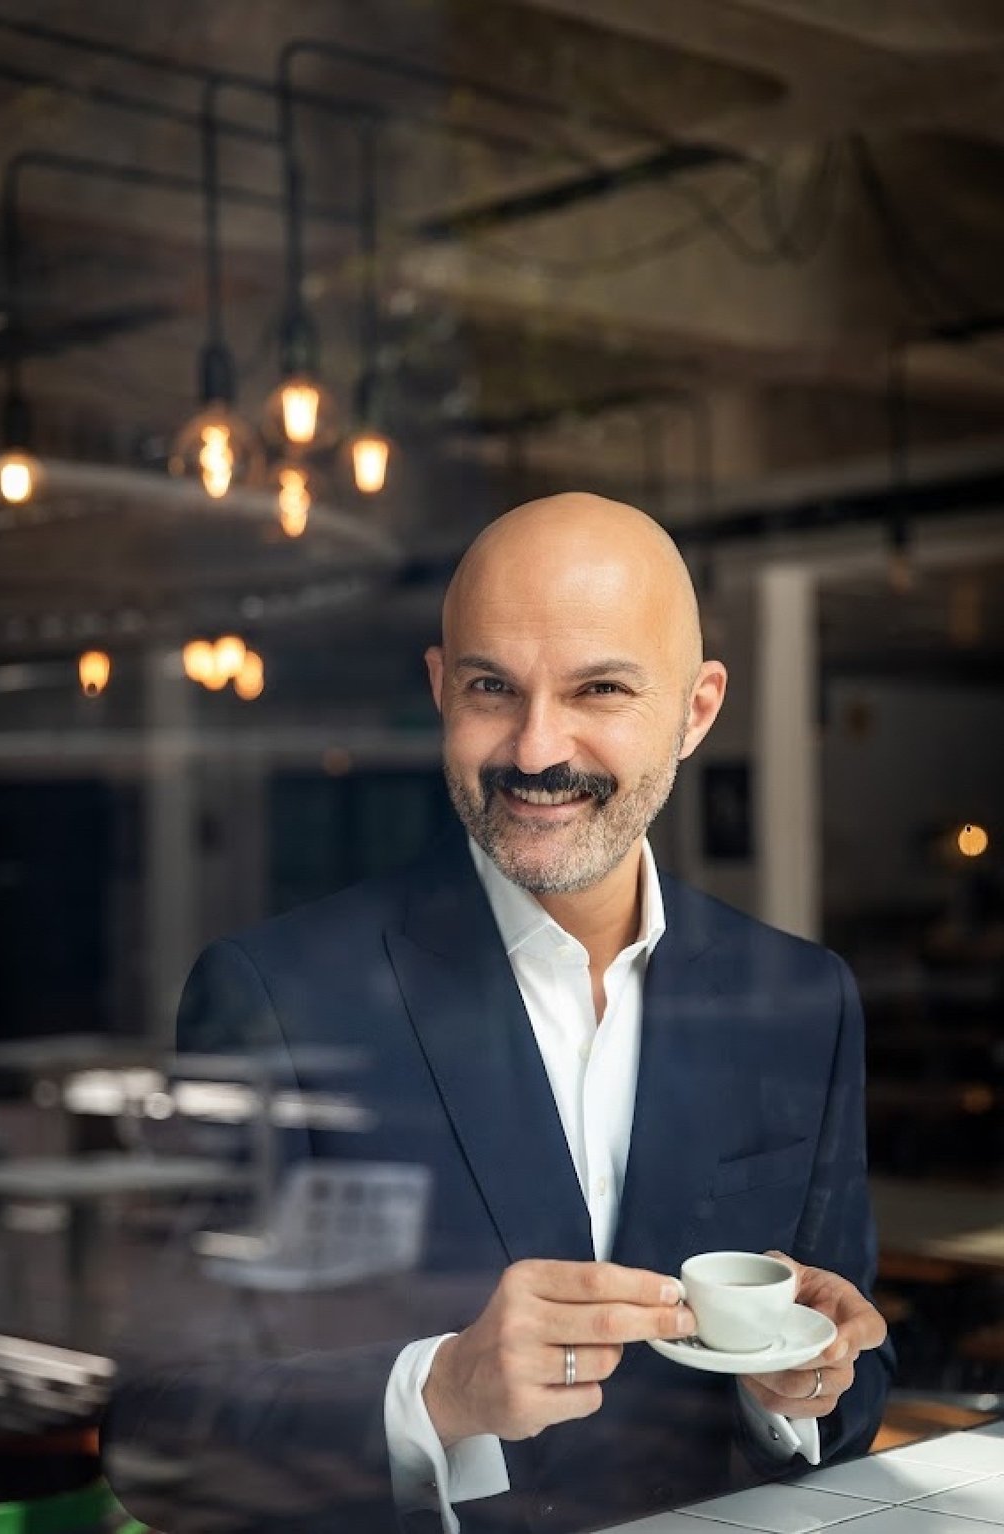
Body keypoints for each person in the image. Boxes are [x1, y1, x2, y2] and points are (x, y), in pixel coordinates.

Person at [103, 493, 891, 1534]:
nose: (533, 749)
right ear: (441, 689)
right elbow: (160, 1437)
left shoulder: (801, 998)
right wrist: (436, 1394)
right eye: (491, 687)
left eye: (598, 687)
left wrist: (794, 1390)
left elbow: (853, 1382)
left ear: (696, 711)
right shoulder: (276, 996)